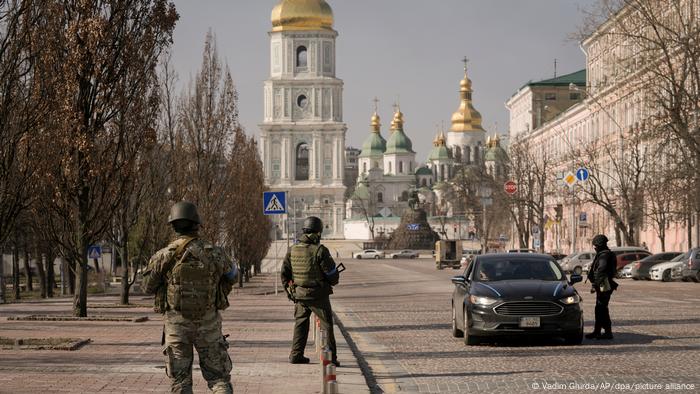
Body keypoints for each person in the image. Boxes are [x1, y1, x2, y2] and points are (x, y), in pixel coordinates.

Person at [143, 201, 237, 393]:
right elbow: (233, 276)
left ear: (173, 226)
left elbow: (147, 286)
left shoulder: (163, 256)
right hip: (209, 326)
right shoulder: (216, 254)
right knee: (219, 379)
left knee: (180, 383)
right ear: (197, 224)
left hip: (177, 327)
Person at [281, 216, 340, 366]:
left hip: (299, 294)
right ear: (318, 233)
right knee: (327, 326)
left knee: (300, 324)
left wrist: (290, 293)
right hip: (318, 295)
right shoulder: (320, 250)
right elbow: (332, 275)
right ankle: (330, 359)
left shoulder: (292, 249)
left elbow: (284, 274)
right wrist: (331, 281)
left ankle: (296, 355)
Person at [585, 234, 618, 340]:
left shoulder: (604, 255)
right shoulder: (605, 254)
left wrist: (595, 285)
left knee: (602, 309)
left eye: (595, 246)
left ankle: (606, 332)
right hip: (604, 284)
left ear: (599, 245)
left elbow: (601, 270)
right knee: (600, 309)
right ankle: (598, 331)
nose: (594, 248)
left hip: (604, 285)